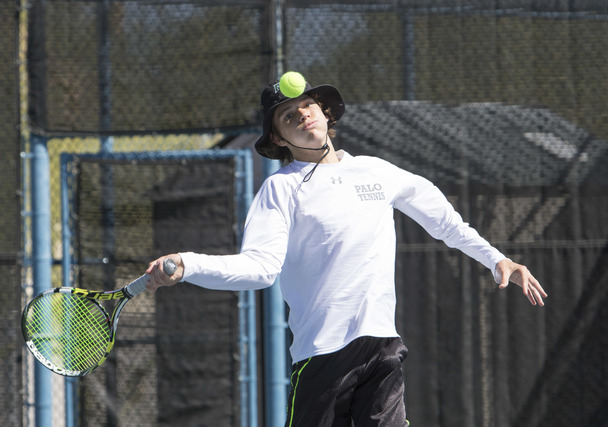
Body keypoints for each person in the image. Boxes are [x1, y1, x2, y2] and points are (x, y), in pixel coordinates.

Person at [145, 74, 547, 426]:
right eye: (289, 116)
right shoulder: (281, 187)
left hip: (383, 346)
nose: (303, 115)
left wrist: (496, 258)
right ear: (278, 138)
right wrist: (189, 264)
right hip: (322, 356)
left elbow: (444, 221)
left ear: (325, 114)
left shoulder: (376, 171)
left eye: (308, 106)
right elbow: (261, 269)